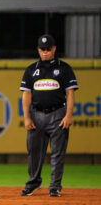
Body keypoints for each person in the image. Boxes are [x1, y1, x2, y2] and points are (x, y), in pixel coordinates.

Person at [19, 34, 79, 197]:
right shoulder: (31, 69)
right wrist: (26, 117)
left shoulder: (64, 68)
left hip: (58, 113)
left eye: (48, 49)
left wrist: (68, 115)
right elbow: (26, 95)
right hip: (36, 114)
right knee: (34, 151)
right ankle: (34, 182)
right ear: (38, 50)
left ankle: (55, 187)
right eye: (42, 49)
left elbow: (70, 93)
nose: (45, 52)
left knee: (58, 153)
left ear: (54, 49)